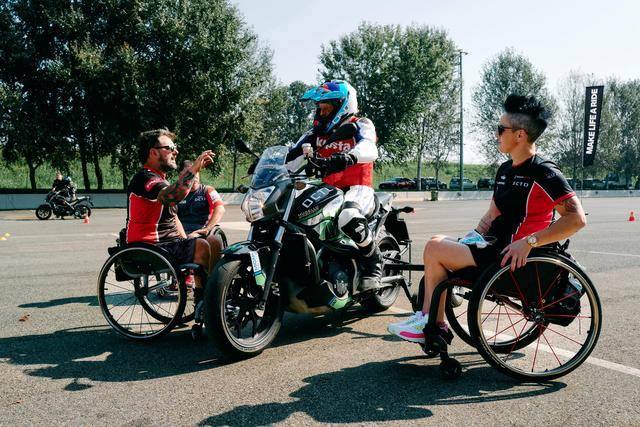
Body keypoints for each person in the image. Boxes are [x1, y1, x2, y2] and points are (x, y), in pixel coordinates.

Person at [388, 94, 587, 343]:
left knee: (434, 248)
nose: (496, 134)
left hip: (517, 258)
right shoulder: (505, 170)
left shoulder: (545, 172)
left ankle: (430, 323)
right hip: (494, 247)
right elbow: (492, 214)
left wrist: (530, 242)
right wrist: (473, 236)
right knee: (438, 241)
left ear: (520, 135)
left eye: (501, 129)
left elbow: (577, 219)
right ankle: (432, 324)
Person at [286, 79, 382, 292]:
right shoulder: (316, 133)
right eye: (319, 109)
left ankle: (373, 263)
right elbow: (291, 157)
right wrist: (267, 166)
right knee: (294, 215)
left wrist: (349, 157)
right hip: (328, 191)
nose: (321, 113)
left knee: (348, 216)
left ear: (342, 106)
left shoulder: (360, 124)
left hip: (357, 187)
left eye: (326, 108)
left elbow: (370, 148)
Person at [126, 128, 220, 305]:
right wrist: (194, 169)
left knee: (214, 241)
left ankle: (214, 290)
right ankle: (204, 301)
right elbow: (172, 196)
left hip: (166, 243)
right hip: (149, 246)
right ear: (153, 152)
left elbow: (173, 217)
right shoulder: (145, 178)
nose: (175, 151)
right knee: (201, 246)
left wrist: (187, 239)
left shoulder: (160, 178)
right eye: (170, 148)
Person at [176, 159, 226, 266]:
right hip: (180, 232)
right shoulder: (176, 193)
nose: (193, 176)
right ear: (180, 176)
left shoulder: (207, 190)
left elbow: (220, 208)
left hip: (202, 230)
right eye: (189, 173)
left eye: (196, 172)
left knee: (214, 240)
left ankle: (212, 273)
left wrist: (207, 228)